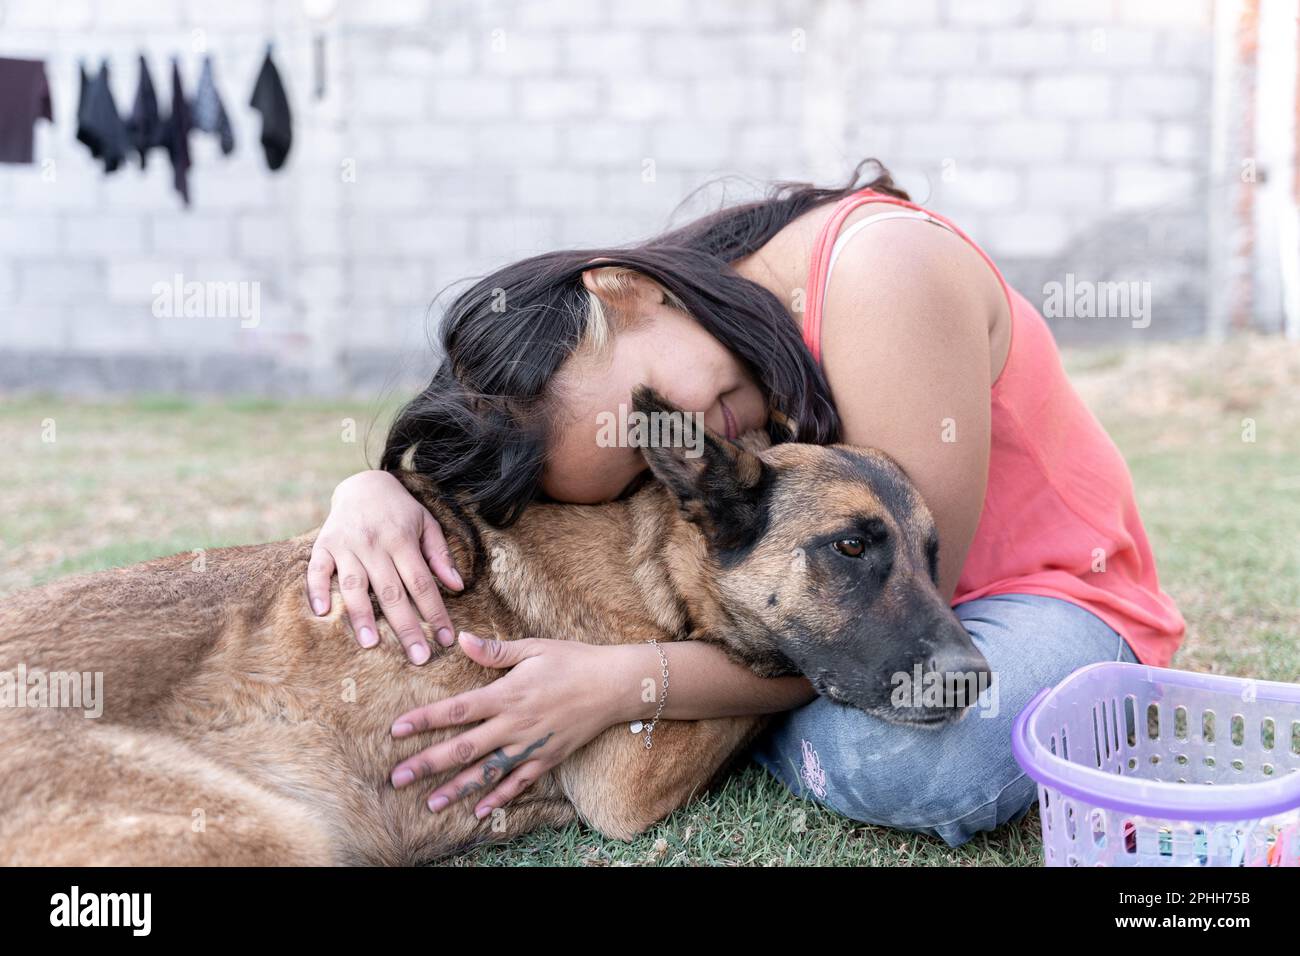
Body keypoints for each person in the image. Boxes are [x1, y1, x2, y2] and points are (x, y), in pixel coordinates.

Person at [304, 160, 1185, 846]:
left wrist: (631, 686)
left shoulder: (884, 274)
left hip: (1023, 603)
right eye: (638, 467)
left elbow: (908, 614)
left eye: (655, 412)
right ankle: (736, 716)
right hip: (825, 627)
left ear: (623, 288)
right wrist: (368, 492)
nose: (680, 444)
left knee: (915, 761)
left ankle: (726, 723)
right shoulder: (697, 348)